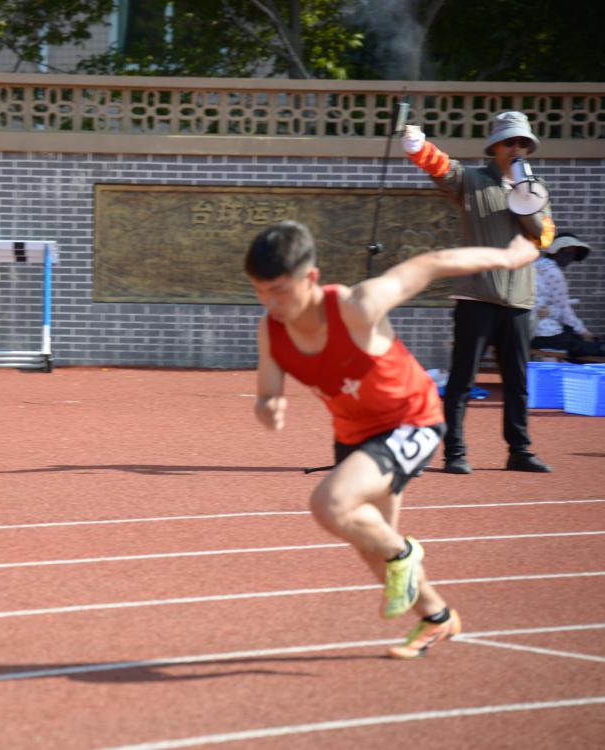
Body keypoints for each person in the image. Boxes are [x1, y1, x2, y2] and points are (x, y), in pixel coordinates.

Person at [246, 221, 540, 659]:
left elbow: (433, 263)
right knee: (372, 545)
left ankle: (405, 553)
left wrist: (510, 258)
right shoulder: (271, 330)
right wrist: (269, 407)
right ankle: (438, 617)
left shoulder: (357, 306)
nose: (271, 303)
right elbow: (267, 392)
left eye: (279, 290)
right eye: (259, 291)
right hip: (355, 435)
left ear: (311, 277)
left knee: (331, 504)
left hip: (412, 420)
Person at [401, 111, 555, 474]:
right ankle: (454, 452)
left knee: (517, 382)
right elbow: (442, 168)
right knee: (462, 380)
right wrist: (417, 145)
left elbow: (545, 237)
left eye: (523, 143)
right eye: (509, 142)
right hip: (476, 296)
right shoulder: (472, 180)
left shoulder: (537, 188)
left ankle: (519, 450)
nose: (516, 148)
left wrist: (525, 196)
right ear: (495, 147)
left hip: (519, 300)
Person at [531, 232, 605, 362]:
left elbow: (549, 304)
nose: (571, 256)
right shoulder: (553, 272)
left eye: (573, 252)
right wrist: (584, 332)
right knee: (587, 349)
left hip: (528, 329)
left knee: (574, 339)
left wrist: (550, 310)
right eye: (568, 251)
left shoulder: (538, 265)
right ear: (557, 251)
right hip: (543, 333)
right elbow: (564, 310)